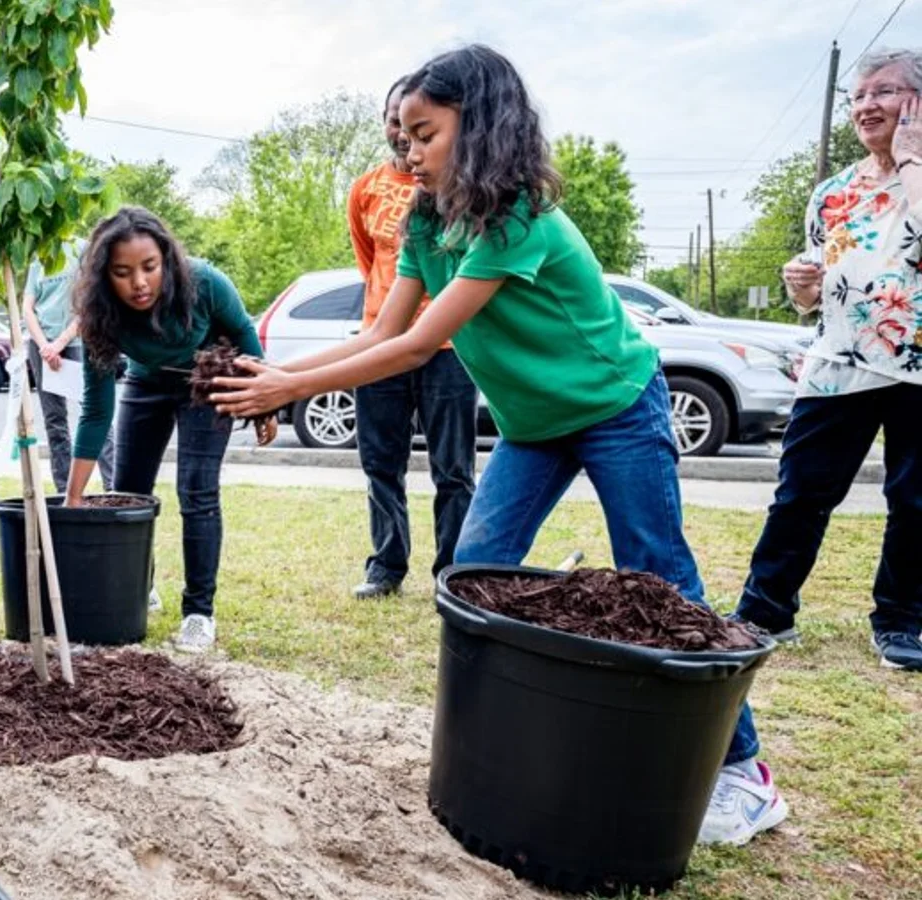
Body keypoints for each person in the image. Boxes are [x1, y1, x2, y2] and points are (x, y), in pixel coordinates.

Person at [212, 45, 786, 846]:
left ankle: (742, 771)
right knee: (471, 573)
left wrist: (287, 390)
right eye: (401, 137)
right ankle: (487, 742)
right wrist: (277, 371)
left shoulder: (519, 216)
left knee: (660, 576)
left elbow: (419, 348)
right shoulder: (422, 219)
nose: (407, 150)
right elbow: (383, 326)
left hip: (615, 406)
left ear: (477, 125)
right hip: (533, 428)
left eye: (424, 132)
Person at [732, 47, 922, 672]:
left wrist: (912, 159)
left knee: (915, 501)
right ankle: (765, 612)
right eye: (859, 95)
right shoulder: (835, 193)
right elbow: (819, 293)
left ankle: (900, 619)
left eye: (886, 92)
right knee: (801, 494)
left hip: (917, 365)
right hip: (839, 362)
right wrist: (802, 288)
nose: (868, 105)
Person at [68, 207, 271, 653]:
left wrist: (264, 404)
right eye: (123, 272)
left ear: (167, 260)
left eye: (149, 267)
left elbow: (244, 332)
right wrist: (73, 496)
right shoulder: (100, 316)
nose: (139, 283)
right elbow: (95, 410)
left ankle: (199, 612)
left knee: (197, 492)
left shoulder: (204, 282)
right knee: (128, 492)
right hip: (146, 382)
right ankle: (137, 587)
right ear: (106, 277)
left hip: (206, 378)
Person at [346, 76, 477, 600]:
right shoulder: (364, 190)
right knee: (380, 464)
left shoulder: (453, 188)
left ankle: (452, 572)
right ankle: (386, 565)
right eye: (395, 120)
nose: (404, 135)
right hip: (381, 345)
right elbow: (368, 261)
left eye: (417, 126)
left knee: (454, 471)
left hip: (447, 349)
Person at [24, 238, 116, 494]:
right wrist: (45, 346)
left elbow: (88, 304)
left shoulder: (81, 249)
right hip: (42, 347)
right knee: (55, 421)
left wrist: (61, 342)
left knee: (96, 413)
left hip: (77, 342)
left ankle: (113, 485)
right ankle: (64, 490)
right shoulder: (39, 254)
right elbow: (27, 307)